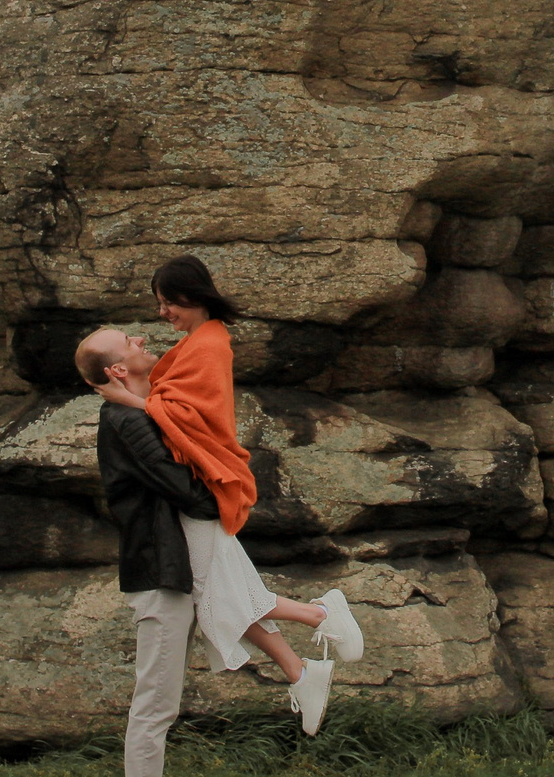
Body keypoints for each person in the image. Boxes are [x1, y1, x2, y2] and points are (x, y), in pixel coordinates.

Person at [76, 256, 364, 746]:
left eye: (168, 302)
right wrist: (140, 401)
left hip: (205, 484)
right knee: (218, 597)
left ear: (191, 297)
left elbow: (186, 416)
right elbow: (173, 410)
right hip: (196, 488)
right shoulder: (194, 345)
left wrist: (135, 403)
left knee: (216, 597)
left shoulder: (208, 346)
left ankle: (317, 620)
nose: (162, 315)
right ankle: (301, 668)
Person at [88, 364, 221, 777]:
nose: (143, 342)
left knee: (158, 707)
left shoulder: (132, 414)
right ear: (116, 368)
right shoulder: (125, 419)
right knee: (153, 709)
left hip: (166, 568)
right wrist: (223, 494)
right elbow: (181, 486)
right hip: (158, 571)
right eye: (130, 341)